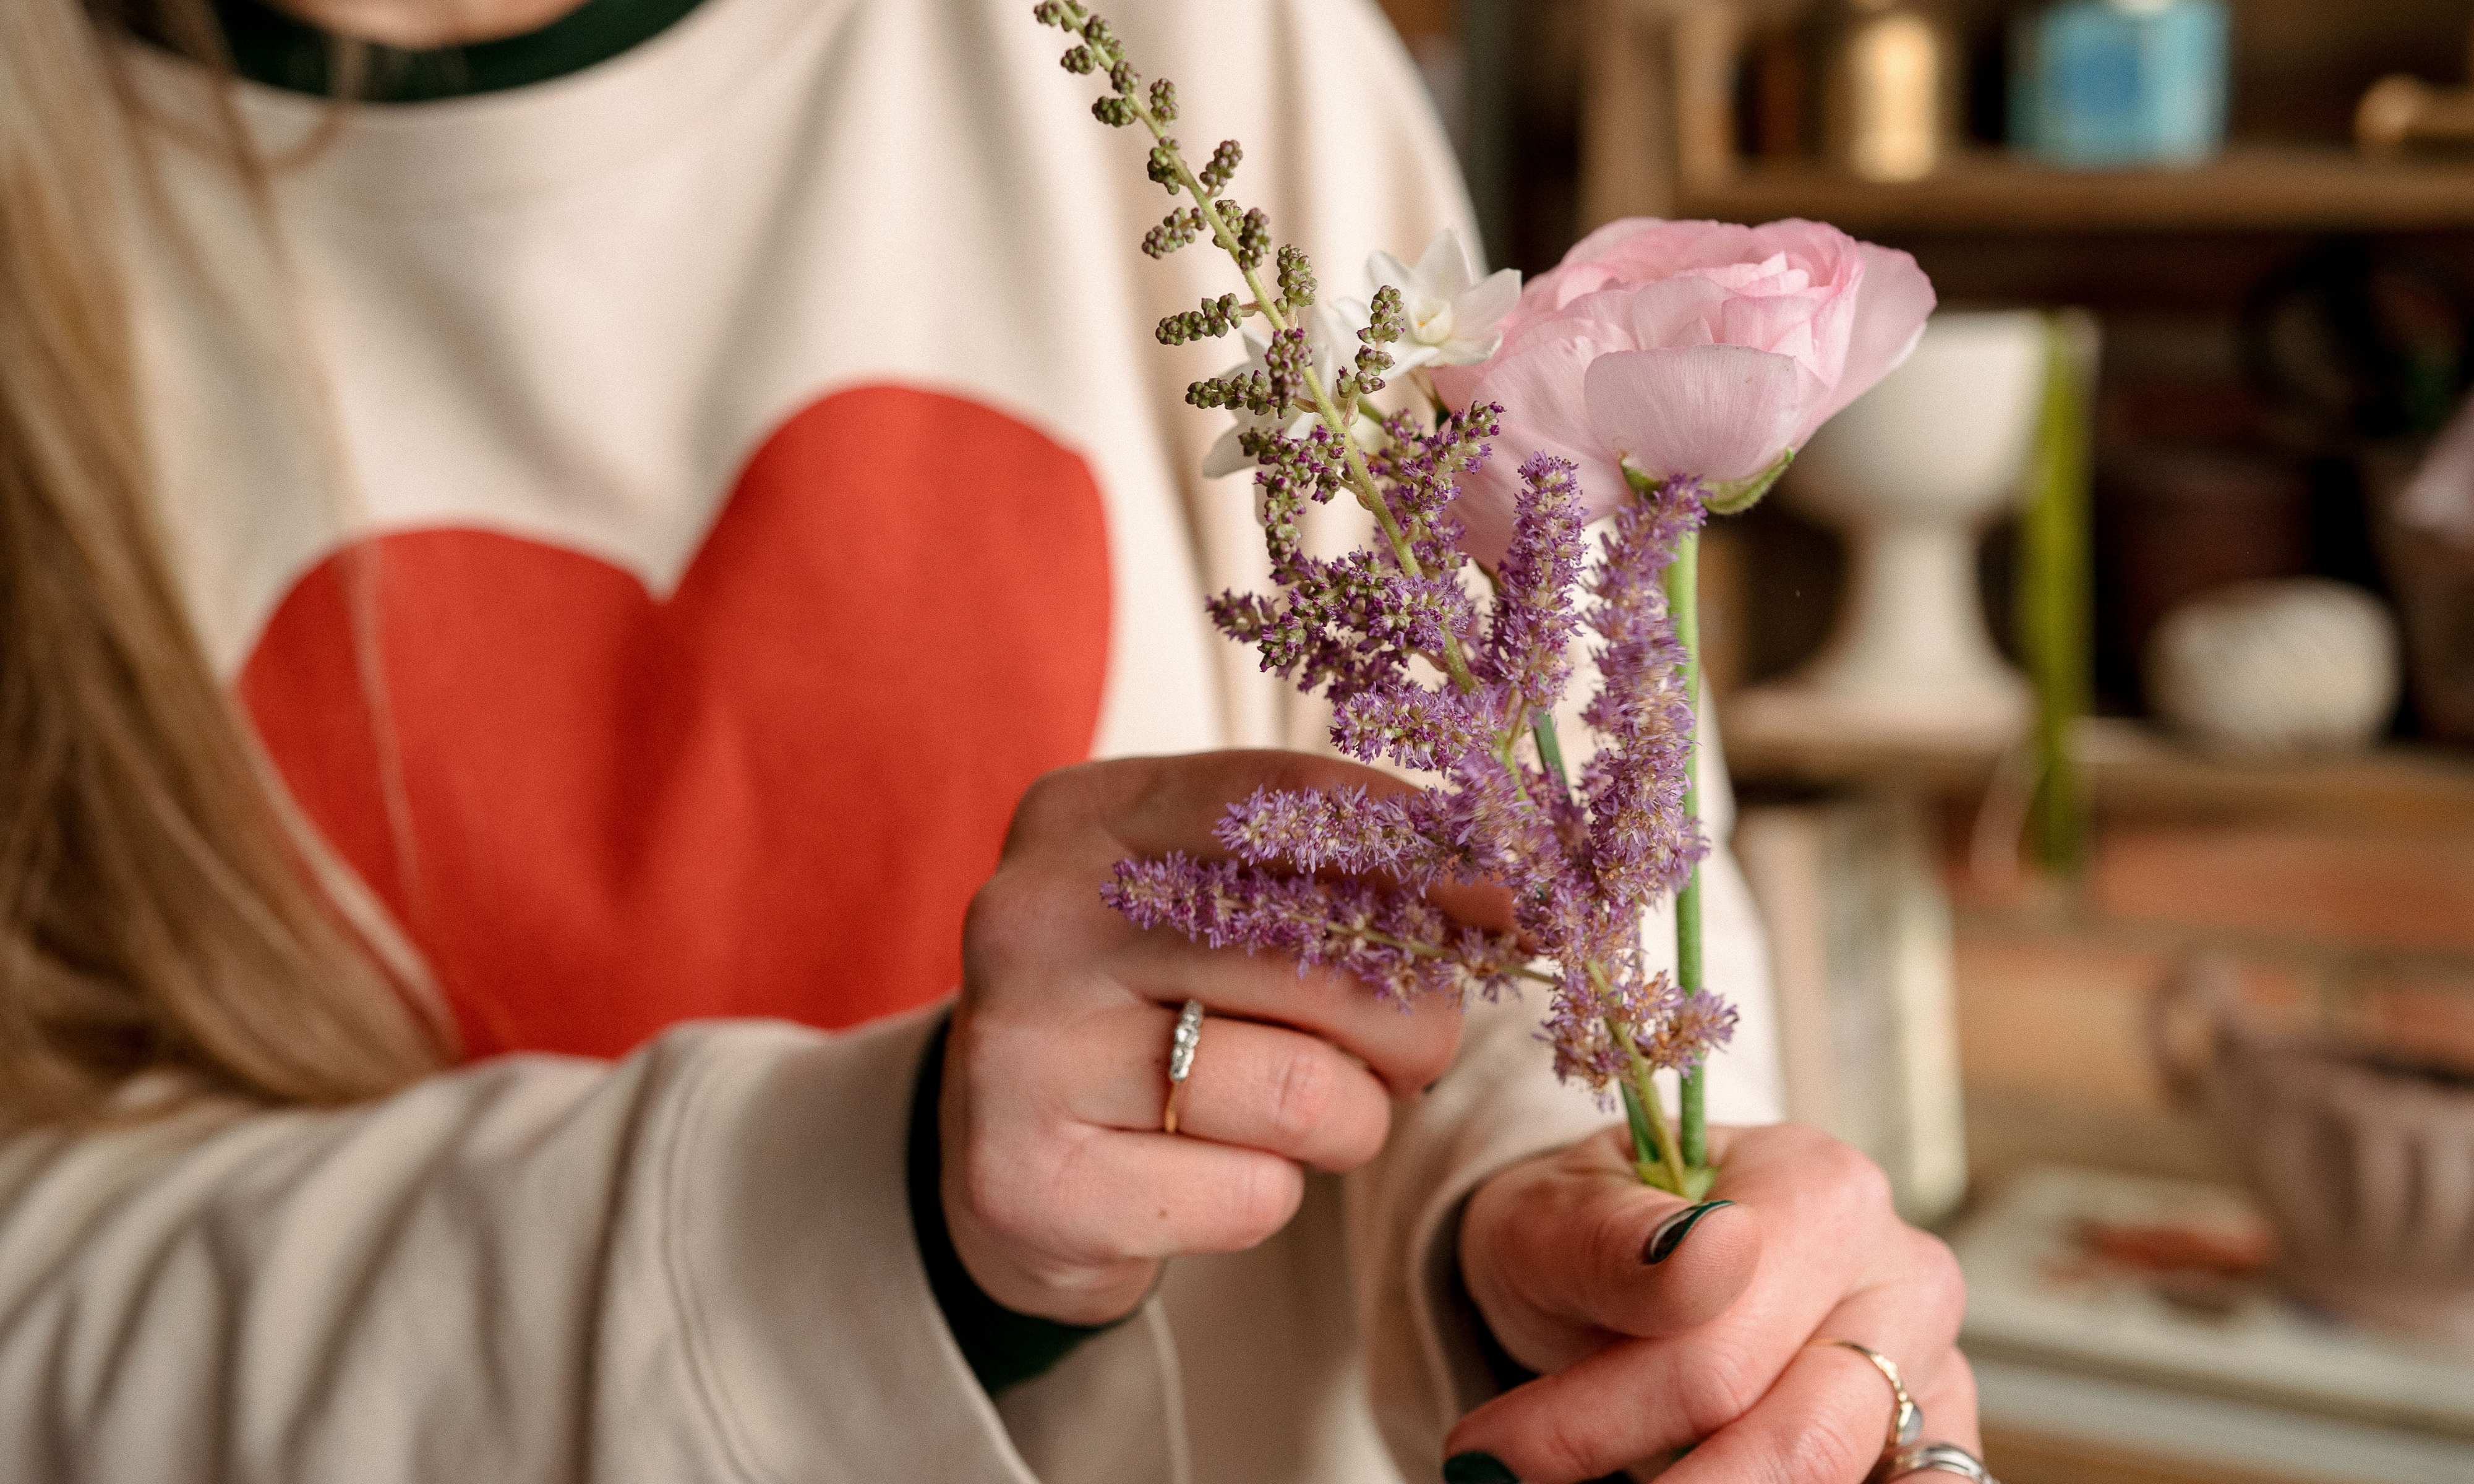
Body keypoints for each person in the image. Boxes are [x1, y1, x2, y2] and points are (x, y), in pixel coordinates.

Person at [0, 0, 1980, 1480]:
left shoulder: (1204, 46)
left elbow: (1546, 901)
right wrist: (874, 1207)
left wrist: (1560, 1254)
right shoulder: (50, 191)